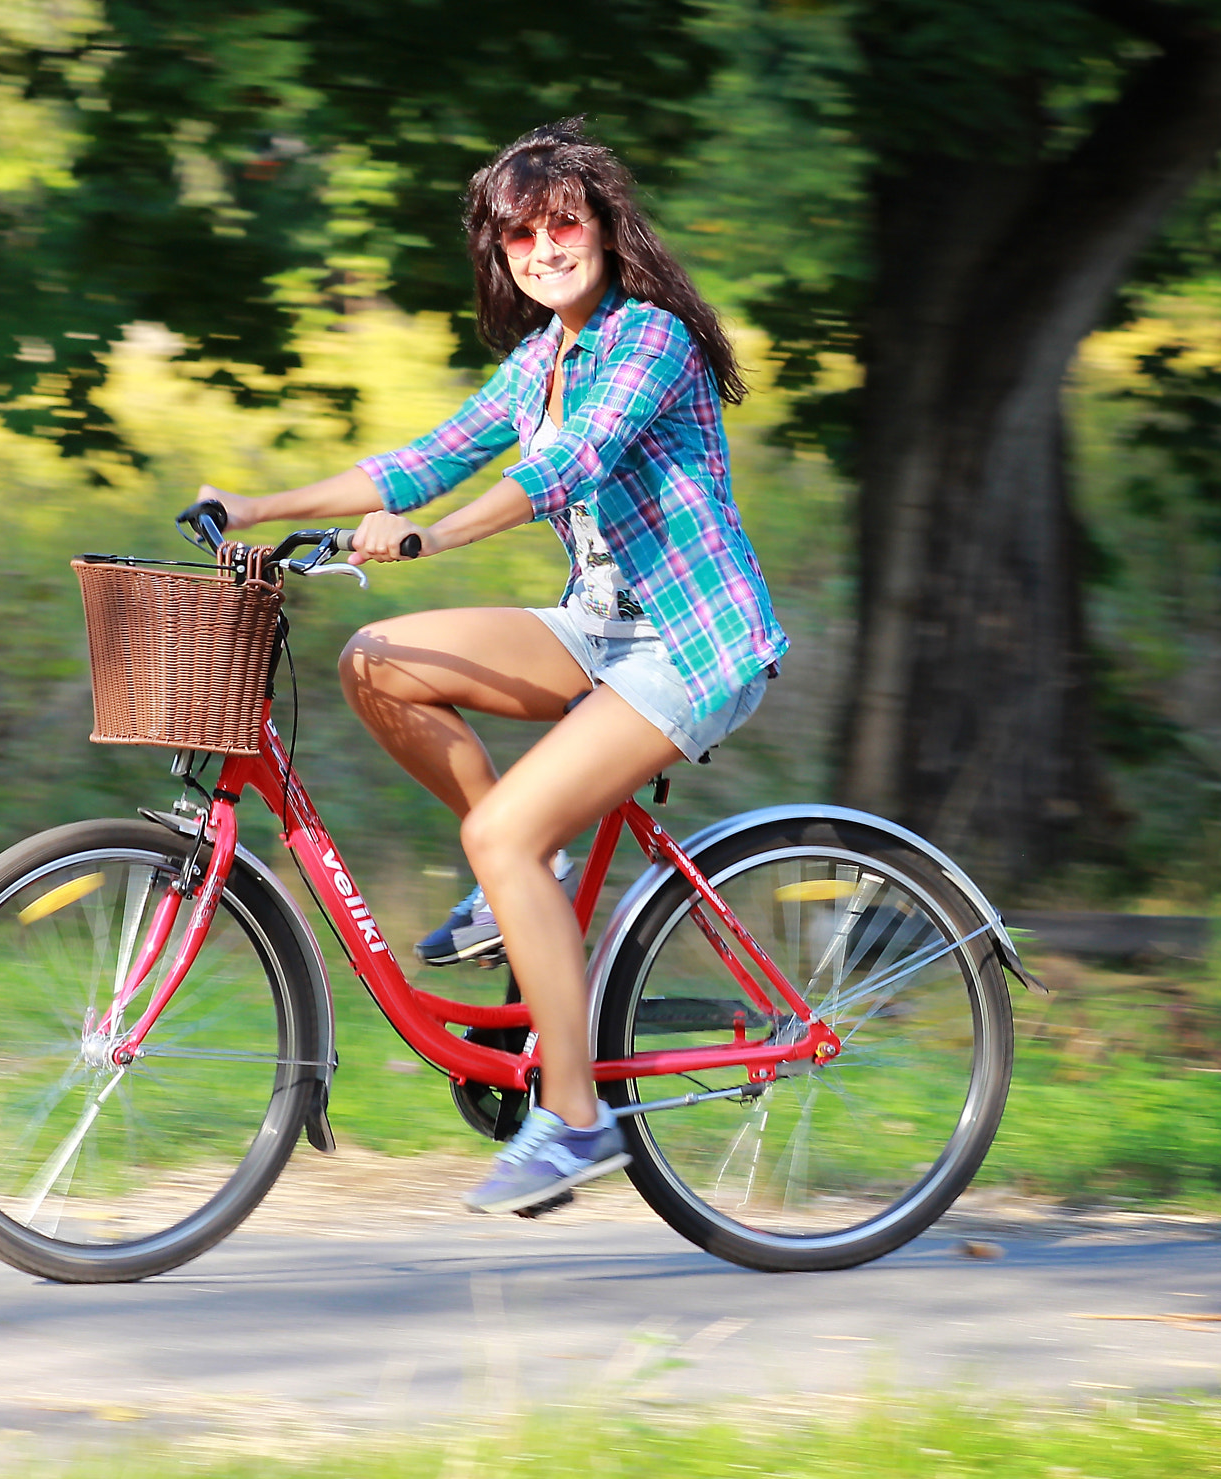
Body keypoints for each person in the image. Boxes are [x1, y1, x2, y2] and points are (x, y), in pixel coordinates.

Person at [201, 118, 787, 1215]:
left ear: (604, 229)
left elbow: (569, 467)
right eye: (520, 233)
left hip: (693, 642)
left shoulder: (647, 341)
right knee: (378, 661)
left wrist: (429, 539)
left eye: (562, 222)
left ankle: (573, 1122)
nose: (543, 246)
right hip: (599, 625)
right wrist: (256, 504)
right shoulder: (538, 360)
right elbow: (417, 460)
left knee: (502, 830)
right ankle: (534, 879)